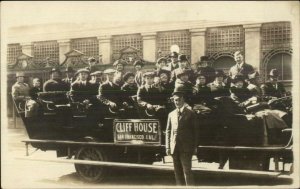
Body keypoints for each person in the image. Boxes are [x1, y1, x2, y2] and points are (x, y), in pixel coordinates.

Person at [165, 90, 198, 186]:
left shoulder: (191, 113)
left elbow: (195, 131)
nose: (177, 102)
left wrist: (195, 146)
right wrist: (167, 147)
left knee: (187, 171)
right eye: (175, 100)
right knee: (177, 171)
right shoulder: (171, 114)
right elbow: (168, 131)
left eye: (178, 100)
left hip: (186, 147)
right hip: (174, 147)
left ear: (183, 100)